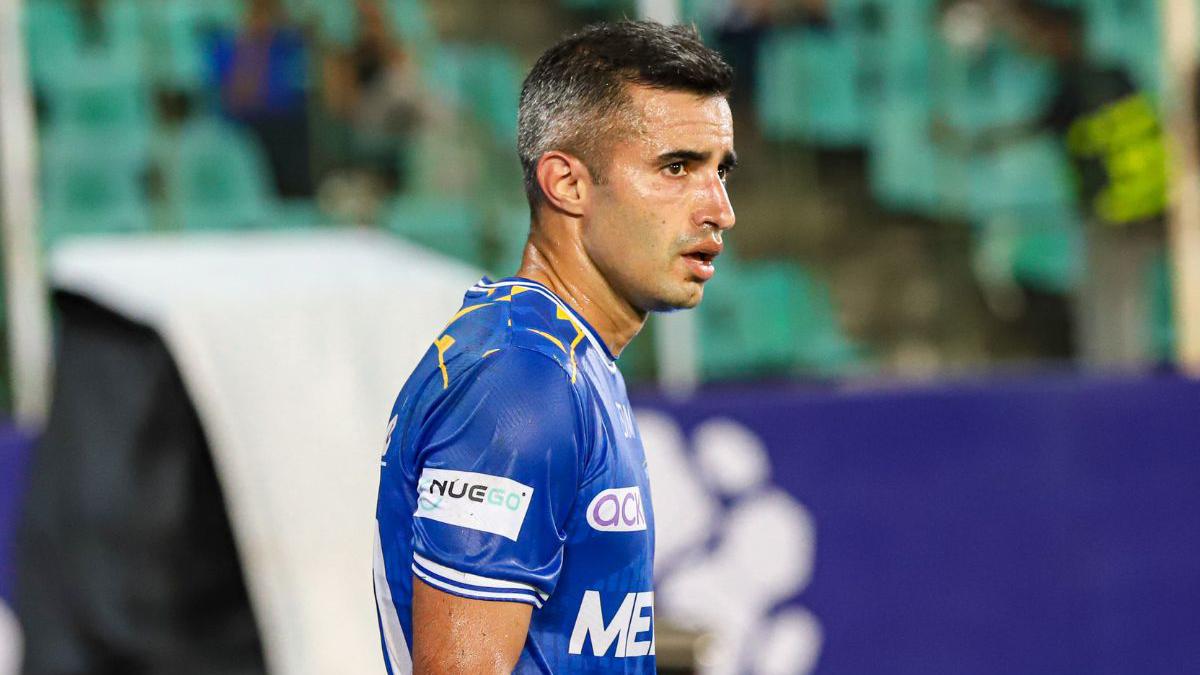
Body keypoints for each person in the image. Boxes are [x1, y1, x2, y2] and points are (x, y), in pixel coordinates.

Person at [373, 20, 736, 674]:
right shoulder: (523, 379)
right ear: (567, 184)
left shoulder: (567, 359)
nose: (719, 209)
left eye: (720, 170)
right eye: (677, 167)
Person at [934, 0, 1168, 366]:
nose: (1034, 46)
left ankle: (1116, 381)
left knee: (1110, 308)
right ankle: (1121, 376)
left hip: (1115, 215)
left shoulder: (1075, 84)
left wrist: (966, 142)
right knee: (1123, 306)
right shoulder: (1116, 75)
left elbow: (1028, 129)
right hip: (1147, 210)